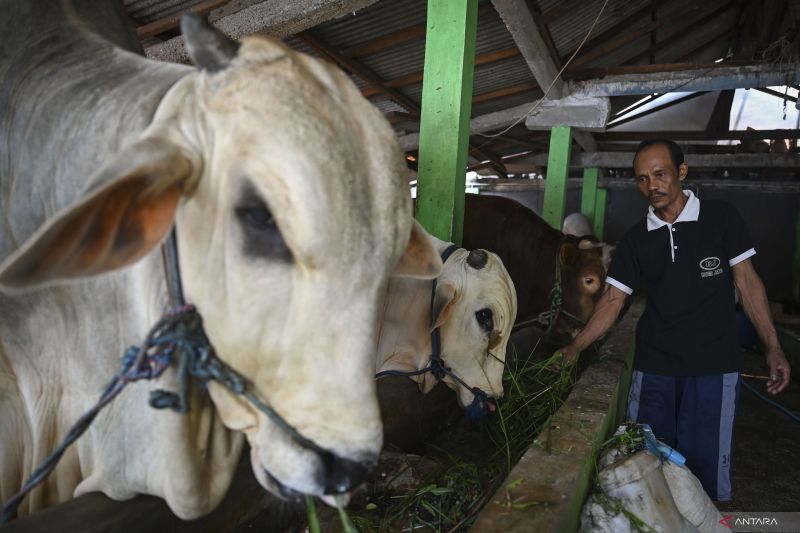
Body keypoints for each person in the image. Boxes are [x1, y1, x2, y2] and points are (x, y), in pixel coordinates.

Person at [556, 139, 791, 502]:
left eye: (660, 174)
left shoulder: (721, 218)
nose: (652, 186)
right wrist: (576, 346)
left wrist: (772, 346)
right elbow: (613, 300)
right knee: (646, 468)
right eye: (642, 179)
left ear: (681, 172)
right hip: (654, 370)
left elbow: (747, 282)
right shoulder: (635, 240)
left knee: (705, 475)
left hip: (714, 367)